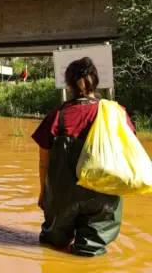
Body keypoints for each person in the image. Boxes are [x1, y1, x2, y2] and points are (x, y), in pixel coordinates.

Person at [31, 57, 136, 257]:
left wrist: (43, 192)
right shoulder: (116, 113)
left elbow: (44, 162)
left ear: (69, 85)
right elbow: (129, 151)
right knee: (91, 251)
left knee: (53, 246)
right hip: (104, 193)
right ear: (95, 82)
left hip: (63, 196)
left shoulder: (57, 116)